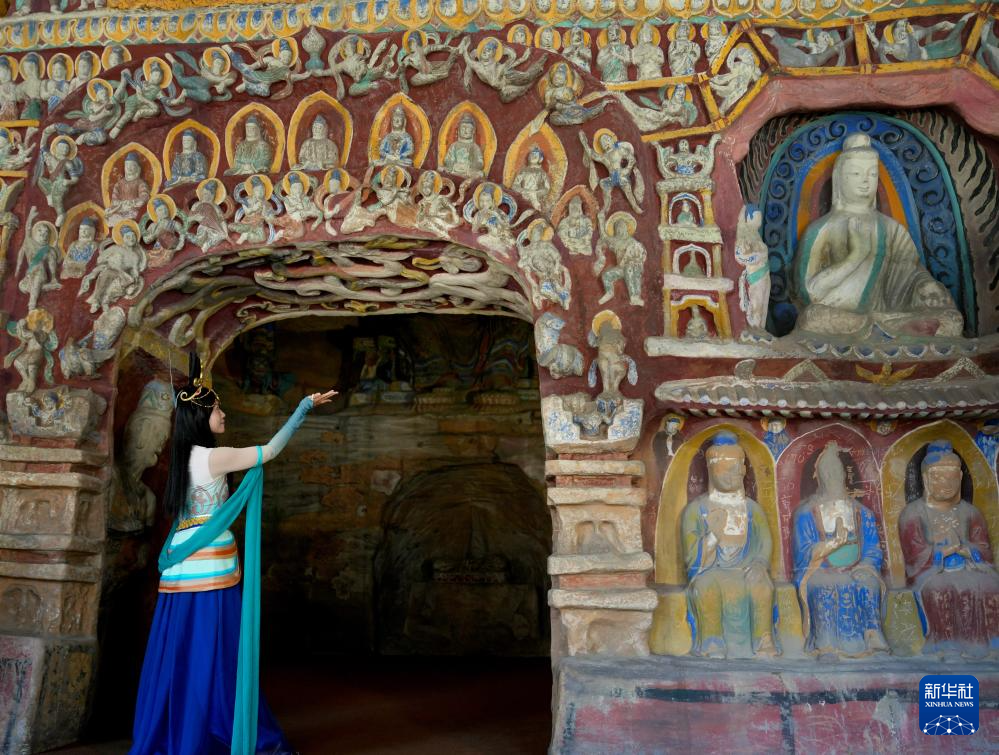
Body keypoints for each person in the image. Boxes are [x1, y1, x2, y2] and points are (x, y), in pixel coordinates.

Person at [130, 356, 337, 754]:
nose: (223, 414)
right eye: (216, 409)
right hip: (212, 565)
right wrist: (303, 408)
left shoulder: (183, 460)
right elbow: (270, 451)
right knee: (217, 654)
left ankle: (180, 731)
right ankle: (215, 729)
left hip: (179, 564)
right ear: (200, 417)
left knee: (182, 653)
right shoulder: (214, 457)